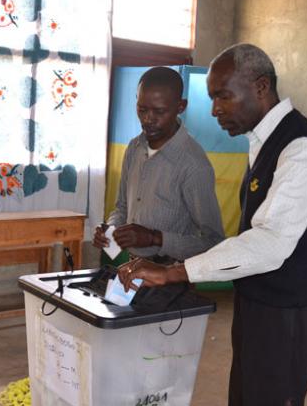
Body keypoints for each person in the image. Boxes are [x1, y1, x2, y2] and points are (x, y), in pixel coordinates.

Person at [119, 44, 307, 406]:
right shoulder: (263, 143)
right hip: (258, 303)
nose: (214, 109)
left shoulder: (301, 150)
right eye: (212, 98)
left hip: (288, 312)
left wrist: (174, 270)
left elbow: (269, 243)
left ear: (260, 88)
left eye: (223, 96)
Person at [93, 66, 224, 263]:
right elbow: (122, 208)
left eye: (159, 111)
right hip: (131, 268)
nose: (148, 119)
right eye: (142, 109)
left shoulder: (193, 164)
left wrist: (155, 238)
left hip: (171, 276)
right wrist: (110, 231)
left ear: (181, 106)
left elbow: (214, 243)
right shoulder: (134, 148)